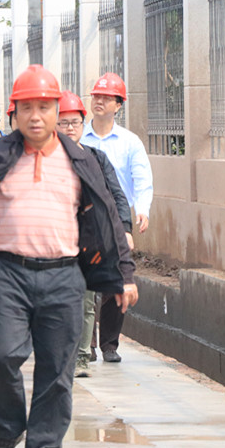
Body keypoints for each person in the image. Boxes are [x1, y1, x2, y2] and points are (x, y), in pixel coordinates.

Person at [0, 65, 137, 448]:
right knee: (0, 356)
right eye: (27, 108)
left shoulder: (82, 160)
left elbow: (108, 216)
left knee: (57, 370)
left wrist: (124, 273)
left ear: (56, 111)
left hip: (64, 277)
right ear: (13, 112)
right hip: (9, 274)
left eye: (44, 108)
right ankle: (7, 431)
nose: (36, 117)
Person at [57, 90, 132, 377]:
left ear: (83, 123)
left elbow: (115, 197)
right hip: (55, 242)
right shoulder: (45, 159)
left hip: (88, 242)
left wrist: (124, 229)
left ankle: (80, 359)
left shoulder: (96, 159)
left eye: (75, 122)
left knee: (87, 302)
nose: (70, 128)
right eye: (63, 123)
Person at [80, 72, 153, 363]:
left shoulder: (129, 142)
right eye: (96, 96)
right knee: (86, 282)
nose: (99, 101)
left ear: (118, 105)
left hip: (115, 221)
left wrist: (142, 209)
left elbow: (141, 178)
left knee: (115, 281)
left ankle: (110, 344)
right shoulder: (79, 138)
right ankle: (87, 343)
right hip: (85, 220)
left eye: (106, 98)